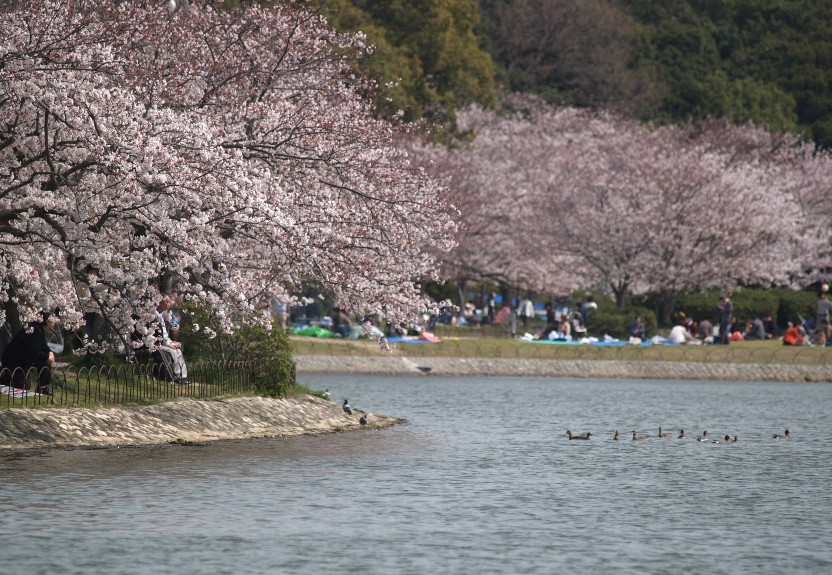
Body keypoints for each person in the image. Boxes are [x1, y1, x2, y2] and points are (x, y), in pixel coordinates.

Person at [0, 310, 57, 393]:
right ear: (47, 321)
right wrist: (47, 356)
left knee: (46, 361)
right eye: (53, 320)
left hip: (24, 360)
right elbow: (35, 351)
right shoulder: (34, 330)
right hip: (15, 361)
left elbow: (44, 346)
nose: (55, 323)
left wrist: (50, 353)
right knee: (22, 386)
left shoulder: (39, 329)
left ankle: (42, 387)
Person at [152, 294, 188, 382]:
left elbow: (165, 335)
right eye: (167, 302)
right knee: (173, 351)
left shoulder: (161, 316)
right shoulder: (154, 316)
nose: (169, 304)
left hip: (164, 342)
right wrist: (169, 344)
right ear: (160, 302)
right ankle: (175, 375)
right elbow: (159, 336)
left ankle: (183, 376)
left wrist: (172, 343)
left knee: (178, 351)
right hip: (156, 344)